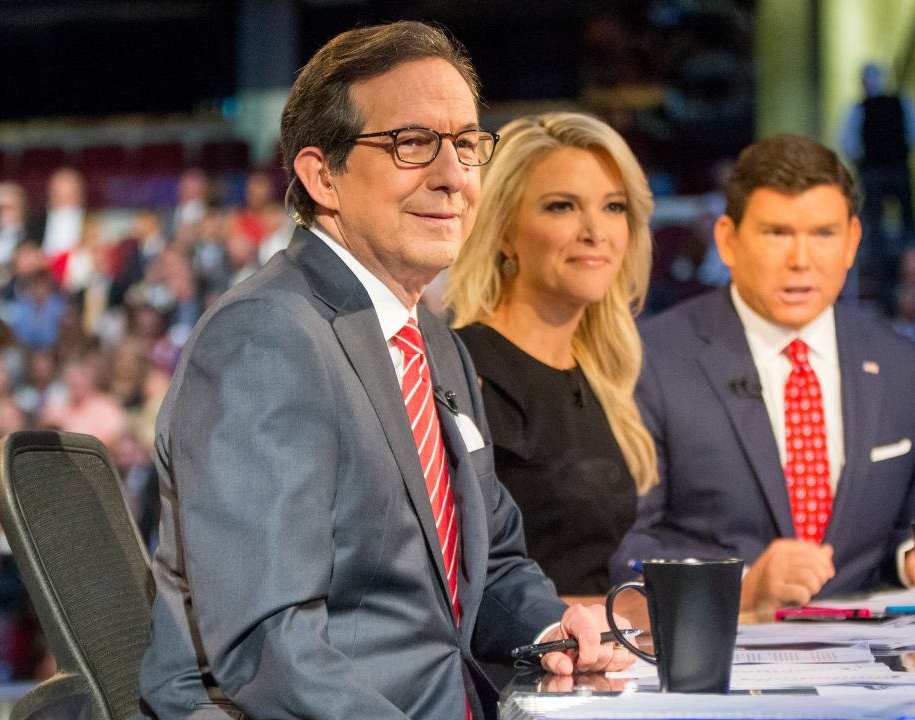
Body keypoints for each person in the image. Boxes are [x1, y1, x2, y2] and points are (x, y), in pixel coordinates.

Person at [139, 23, 632, 720]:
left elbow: (490, 567)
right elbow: (266, 645)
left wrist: (551, 629)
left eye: (465, 144)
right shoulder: (266, 338)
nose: (452, 175)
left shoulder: (430, 338)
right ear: (321, 175)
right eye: (411, 143)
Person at [611, 134, 915, 611]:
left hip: (870, 668)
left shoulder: (902, 365)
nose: (801, 260)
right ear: (728, 240)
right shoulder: (652, 359)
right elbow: (626, 552)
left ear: (852, 241)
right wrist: (744, 588)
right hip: (719, 662)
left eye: (823, 234)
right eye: (777, 233)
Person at [445, 112, 656, 597]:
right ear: (503, 231)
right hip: (508, 667)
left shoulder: (601, 373)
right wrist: (612, 618)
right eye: (562, 207)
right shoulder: (463, 372)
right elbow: (458, 588)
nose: (595, 232)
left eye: (614, 207)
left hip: (603, 661)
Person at [839, 63, 915, 252]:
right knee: (885, 222)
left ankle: (909, 257)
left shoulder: (861, 108)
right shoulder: (900, 104)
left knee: (884, 220)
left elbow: (848, 144)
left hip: (879, 170)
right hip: (890, 169)